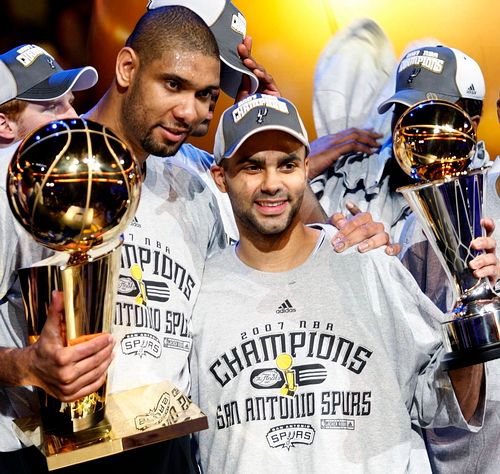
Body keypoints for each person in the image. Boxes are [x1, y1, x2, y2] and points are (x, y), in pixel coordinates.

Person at [190, 92, 486, 473]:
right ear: (220, 177)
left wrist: (475, 315)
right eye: (251, 167)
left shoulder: (366, 261)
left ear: (306, 168)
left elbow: (444, 402)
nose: (271, 183)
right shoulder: (200, 292)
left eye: (286, 165)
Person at [0, 43, 107, 471]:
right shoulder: (5, 180)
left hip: (59, 440)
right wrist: (27, 365)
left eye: (70, 103)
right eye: (50, 108)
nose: (71, 118)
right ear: (4, 123)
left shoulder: (55, 181)